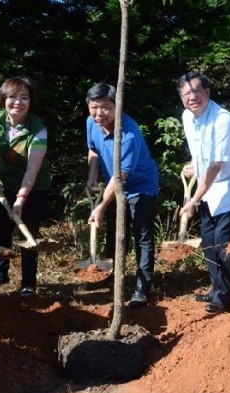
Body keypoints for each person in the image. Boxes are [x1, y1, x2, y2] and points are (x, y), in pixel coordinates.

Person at [177, 71, 230, 314]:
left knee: (223, 239)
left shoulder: (223, 119)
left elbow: (216, 164)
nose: (193, 97)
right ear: (181, 97)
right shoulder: (187, 117)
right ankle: (216, 287)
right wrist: (193, 164)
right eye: (187, 93)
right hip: (208, 184)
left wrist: (194, 199)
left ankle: (224, 297)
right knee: (208, 239)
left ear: (207, 92)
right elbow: (201, 151)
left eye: (197, 91)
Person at [85, 83, 159, 308]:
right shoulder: (92, 123)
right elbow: (93, 150)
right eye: (94, 107)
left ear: (117, 106)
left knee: (142, 235)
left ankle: (142, 287)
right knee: (116, 234)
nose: (99, 113)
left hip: (140, 187)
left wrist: (100, 207)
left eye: (105, 107)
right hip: (113, 185)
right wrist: (92, 175)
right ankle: (114, 277)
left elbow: (120, 178)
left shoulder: (128, 135)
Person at [0, 76, 51, 297]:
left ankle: (28, 282)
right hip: (6, 183)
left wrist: (20, 200)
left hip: (34, 187)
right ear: (3, 99)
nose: (17, 102)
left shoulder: (38, 129)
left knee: (27, 234)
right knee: (1, 231)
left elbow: (32, 169)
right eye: (12, 97)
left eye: (24, 98)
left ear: (31, 102)